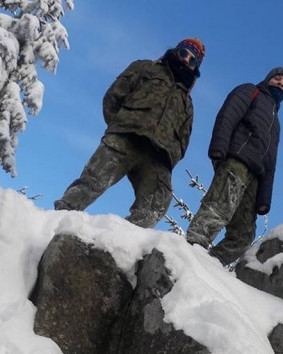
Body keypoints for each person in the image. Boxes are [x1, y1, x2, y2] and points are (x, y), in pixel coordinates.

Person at [54, 38, 205, 227]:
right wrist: (119, 127)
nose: (186, 60)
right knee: (93, 181)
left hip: (157, 157)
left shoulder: (187, 104)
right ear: (176, 51)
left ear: (194, 68)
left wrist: (169, 159)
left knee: (155, 206)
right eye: (184, 53)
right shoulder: (145, 68)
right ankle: (58, 221)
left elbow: (183, 140)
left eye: (192, 60)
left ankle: (123, 245)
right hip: (126, 137)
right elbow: (114, 96)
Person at [186, 67, 283, 265]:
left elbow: (272, 163)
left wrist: (264, 199)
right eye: (278, 79)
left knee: (244, 234)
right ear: (268, 79)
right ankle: (191, 250)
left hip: (256, 177)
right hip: (237, 160)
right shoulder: (251, 91)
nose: (281, 83)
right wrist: (219, 146)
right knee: (219, 206)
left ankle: (210, 263)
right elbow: (228, 114)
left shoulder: (276, 123)